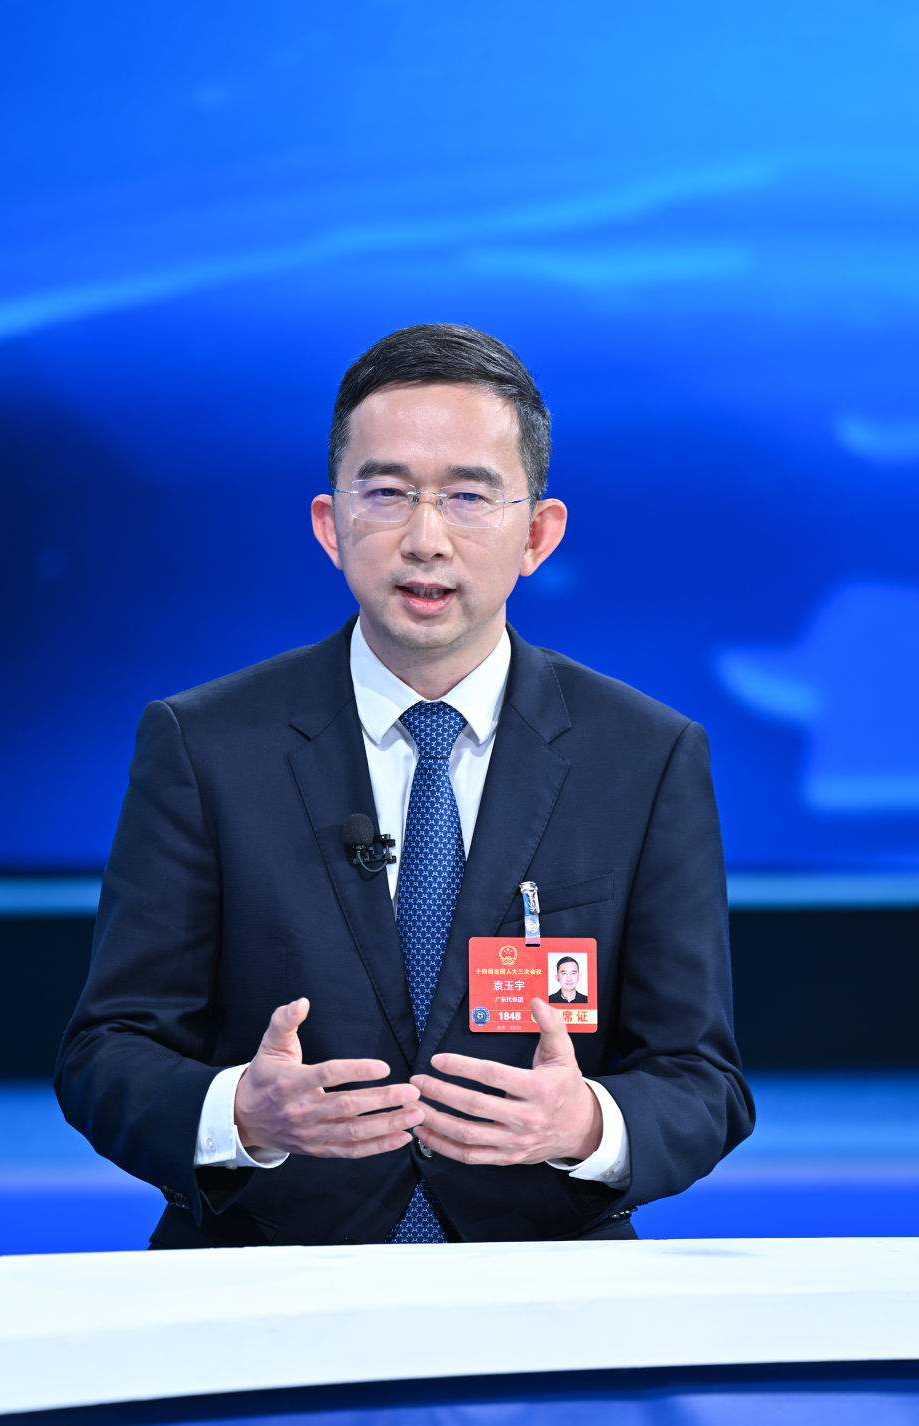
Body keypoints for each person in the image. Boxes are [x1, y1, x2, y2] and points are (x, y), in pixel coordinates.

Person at [55, 323, 754, 1247]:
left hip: (544, 1285)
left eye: (469, 496)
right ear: (329, 524)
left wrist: (588, 1126)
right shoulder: (204, 745)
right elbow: (106, 1053)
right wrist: (241, 1115)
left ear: (537, 534)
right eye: (386, 494)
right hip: (265, 1280)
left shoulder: (647, 756)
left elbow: (703, 1080)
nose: (426, 540)